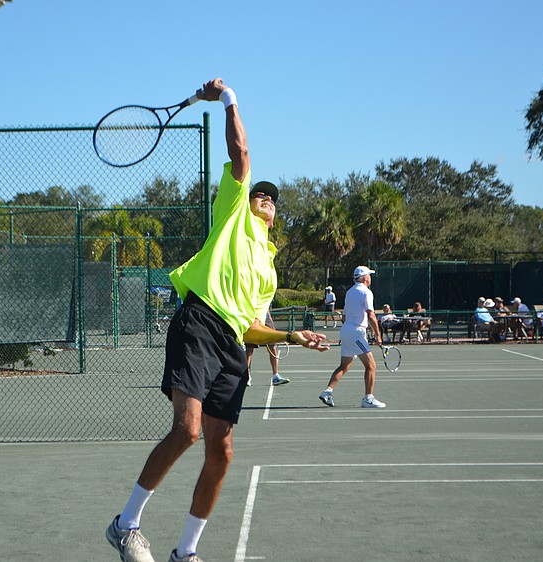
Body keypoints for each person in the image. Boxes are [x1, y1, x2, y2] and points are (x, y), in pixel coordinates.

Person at [106, 78, 329, 562]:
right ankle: (126, 525)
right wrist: (227, 99)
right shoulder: (232, 213)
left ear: (276, 215)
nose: (265, 198)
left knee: (221, 454)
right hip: (198, 323)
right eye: (260, 194)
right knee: (186, 431)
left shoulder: (268, 270)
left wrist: (292, 334)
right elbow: (242, 154)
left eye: (272, 199)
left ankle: (185, 553)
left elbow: (251, 327)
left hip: (232, 346)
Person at [319, 266, 386, 409]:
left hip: (347, 330)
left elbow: (344, 316)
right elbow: (371, 315)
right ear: (365, 277)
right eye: (369, 275)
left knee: (345, 365)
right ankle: (368, 399)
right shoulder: (366, 292)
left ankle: (327, 392)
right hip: (356, 333)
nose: (370, 277)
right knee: (371, 366)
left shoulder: (350, 292)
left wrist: (352, 330)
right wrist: (378, 335)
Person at [245, 308, 290, 386]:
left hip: (265, 319)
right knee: (249, 349)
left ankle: (276, 376)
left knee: (272, 347)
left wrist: (269, 319)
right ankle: (247, 376)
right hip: (252, 319)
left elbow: (266, 305)